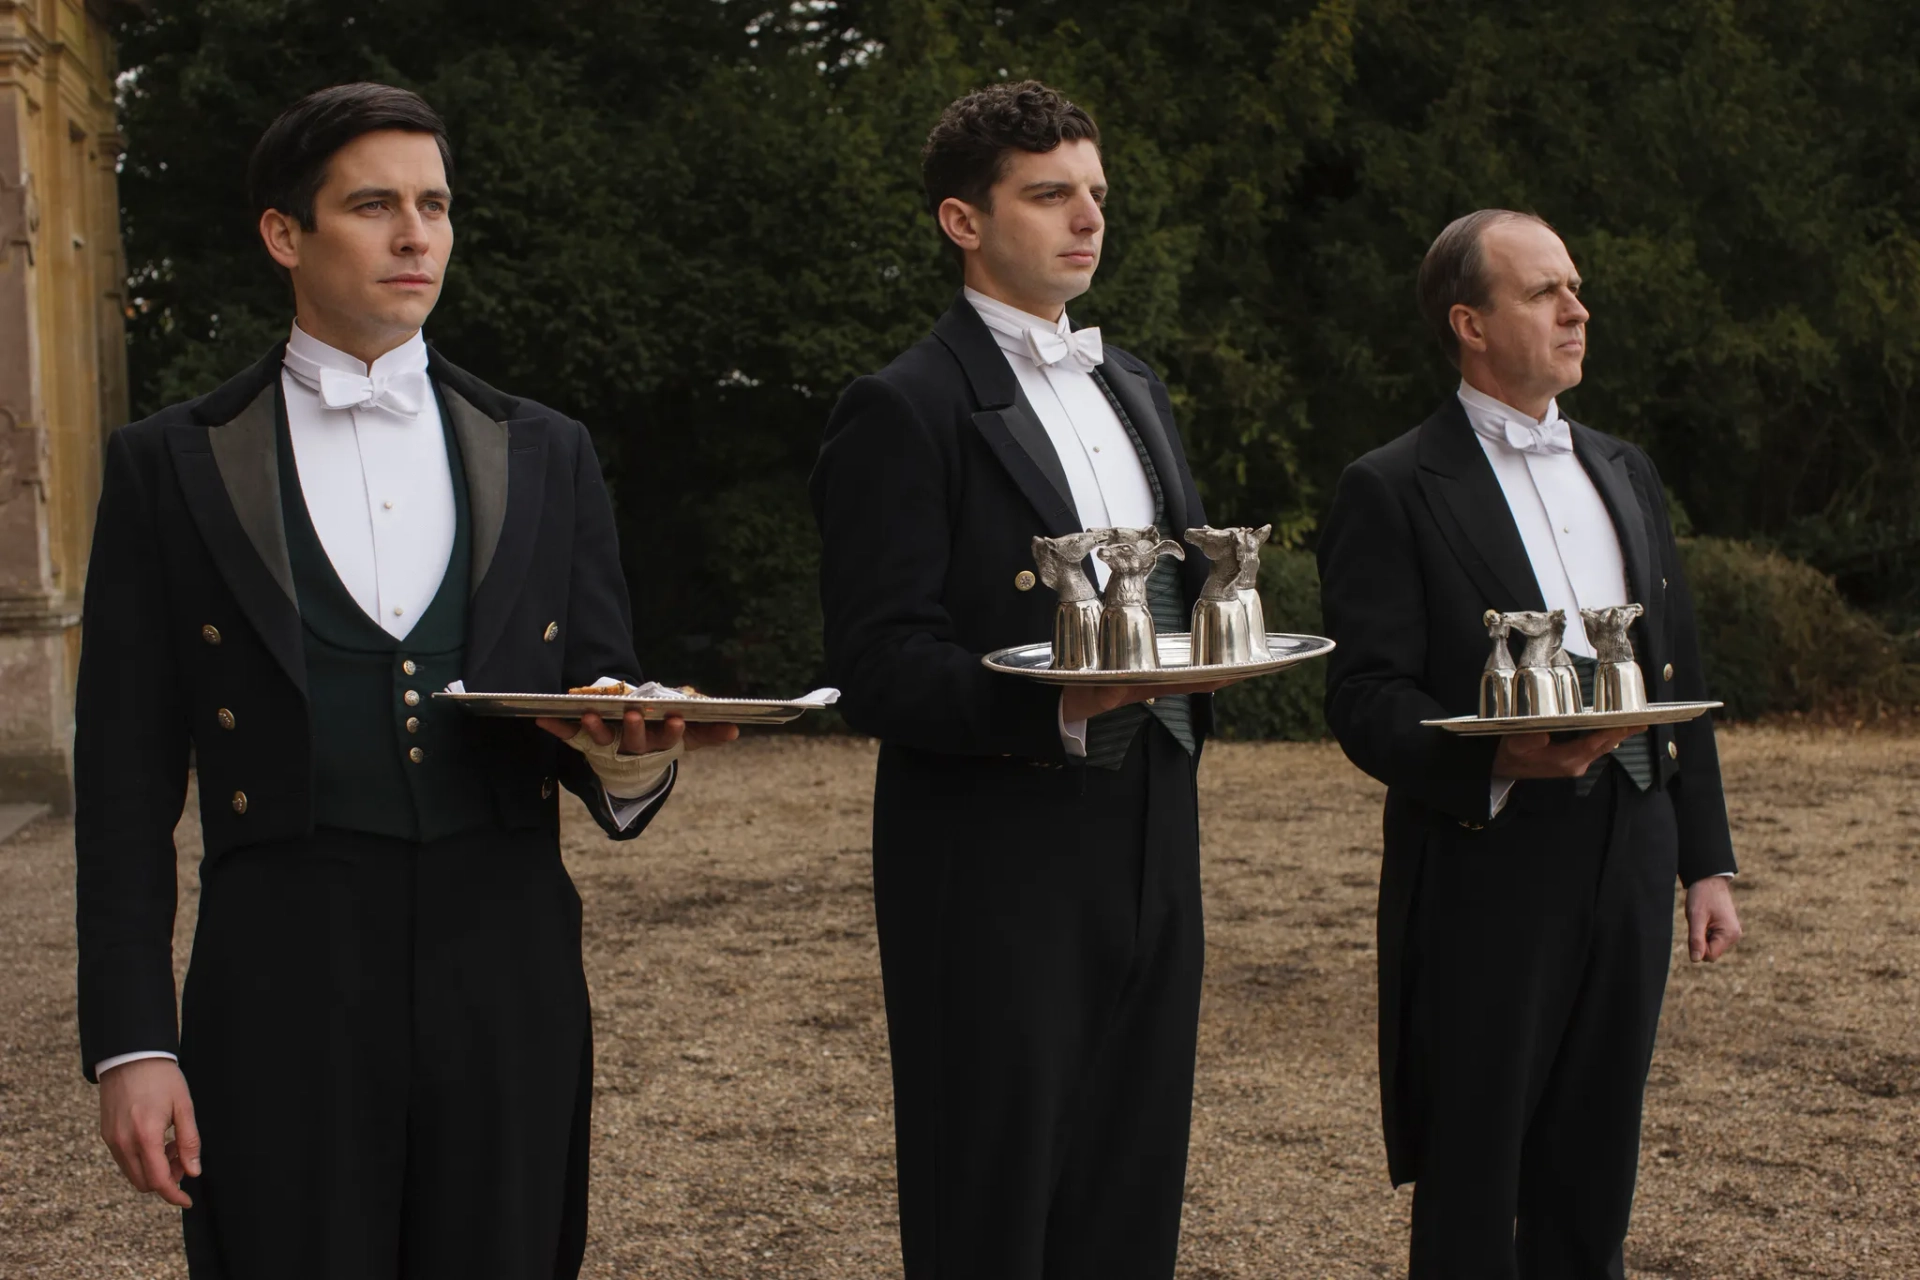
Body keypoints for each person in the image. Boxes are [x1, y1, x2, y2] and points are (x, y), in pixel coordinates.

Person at [74, 83, 734, 1279]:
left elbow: (602, 708)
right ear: (286, 233)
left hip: (508, 955)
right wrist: (131, 1042)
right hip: (279, 965)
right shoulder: (170, 464)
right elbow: (120, 781)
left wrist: (631, 756)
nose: (416, 233)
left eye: (433, 204)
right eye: (374, 205)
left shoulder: (547, 449)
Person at [810, 81, 1238, 1279]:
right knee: (990, 1190)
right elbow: (876, 665)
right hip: (989, 853)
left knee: (1131, 1173)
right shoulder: (903, 407)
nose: (1086, 219)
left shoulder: (1134, 386)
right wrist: (1046, 703)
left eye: (1095, 195)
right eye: (1050, 195)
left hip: (1156, 820)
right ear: (963, 219)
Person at [1317, 208, 1744, 1279]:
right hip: (1485, 860)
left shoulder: (1626, 469)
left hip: (1633, 850)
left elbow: (1678, 668)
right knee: (1475, 1169)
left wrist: (1706, 859)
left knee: (1596, 1160)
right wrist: (1493, 759)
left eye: (1576, 286)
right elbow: (1364, 697)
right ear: (1469, 321)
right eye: (1545, 290)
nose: (1577, 308)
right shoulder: (1391, 484)